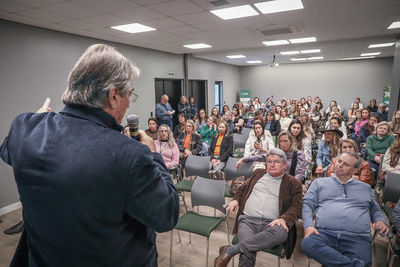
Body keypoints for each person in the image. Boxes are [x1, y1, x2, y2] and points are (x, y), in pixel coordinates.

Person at [0, 44, 179, 266]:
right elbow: (167, 214)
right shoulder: (130, 155)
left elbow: (8, 152)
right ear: (113, 95)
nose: (128, 102)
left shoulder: (24, 128)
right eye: (129, 94)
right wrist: (153, 155)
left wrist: (34, 122)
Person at [214, 148, 302, 267]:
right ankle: (237, 249)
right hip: (248, 220)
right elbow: (242, 189)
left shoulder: (293, 183)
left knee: (281, 233)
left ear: (284, 165)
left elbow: (296, 207)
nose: (271, 164)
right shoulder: (258, 173)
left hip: (272, 223)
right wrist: (235, 200)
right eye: (269, 161)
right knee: (248, 253)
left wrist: (284, 219)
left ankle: (230, 250)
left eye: (276, 161)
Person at [301, 151, 389, 267]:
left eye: (346, 164)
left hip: (357, 237)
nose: (340, 165)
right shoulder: (319, 183)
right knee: (308, 244)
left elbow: (375, 210)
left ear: (354, 170)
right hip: (325, 234)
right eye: (339, 161)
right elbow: (307, 204)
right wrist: (308, 226)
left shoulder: (365, 188)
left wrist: (380, 220)